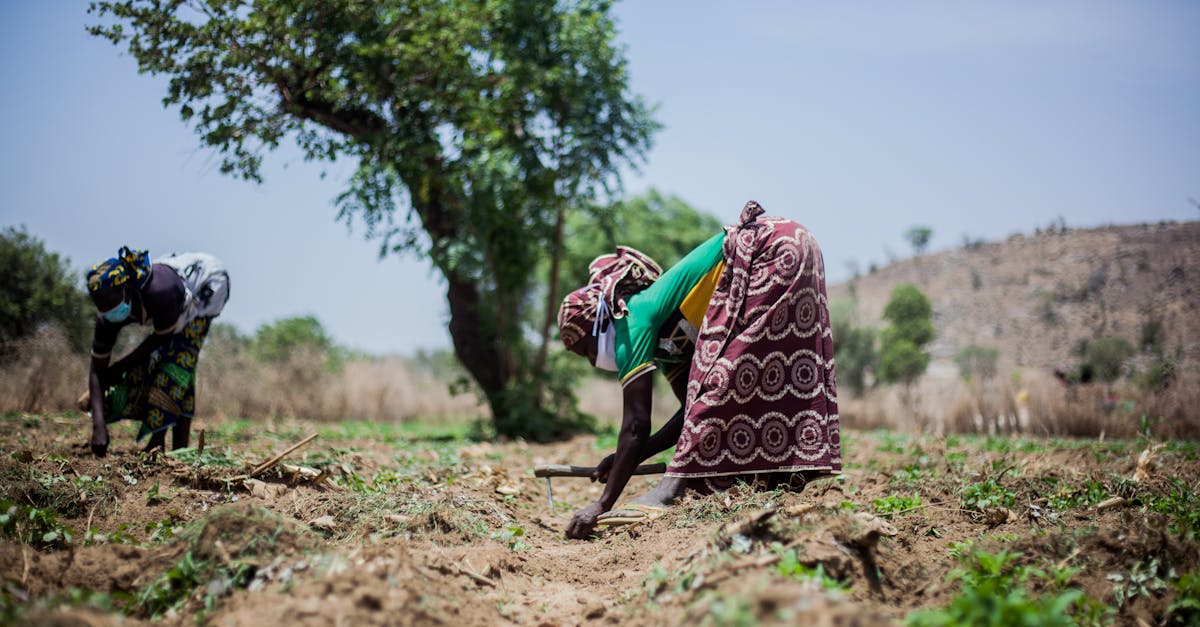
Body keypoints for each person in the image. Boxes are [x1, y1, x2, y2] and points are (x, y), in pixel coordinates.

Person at [558, 201, 840, 539]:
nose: (592, 361)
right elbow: (690, 418)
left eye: (585, 350)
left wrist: (601, 504)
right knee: (767, 376)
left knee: (725, 380)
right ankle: (779, 479)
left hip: (768, 250)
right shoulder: (666, 343)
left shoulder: (632, 320)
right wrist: (625, 459)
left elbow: (635, 426)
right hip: (794, 243)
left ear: (598, 321)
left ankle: (671, 489)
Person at [82, 246, 230, 456]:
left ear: (127, 289)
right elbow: (97, 371)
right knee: (161, 365)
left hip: (208, 283)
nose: (106, 309)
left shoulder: (161, 292)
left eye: (109, 302)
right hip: (175, 293)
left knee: (177, 363)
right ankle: (179, 448)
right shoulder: (106, 319)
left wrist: (119, 367)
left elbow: (160, 340)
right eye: (100, 304)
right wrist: (98, 427)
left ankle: (160, 442)